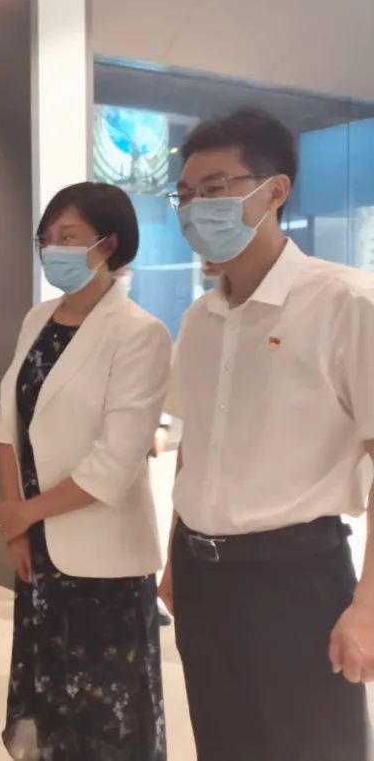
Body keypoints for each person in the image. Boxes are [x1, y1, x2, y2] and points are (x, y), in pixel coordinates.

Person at [159, 108, 374, 760]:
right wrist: (174, 558)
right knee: (223, 744)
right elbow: (195, 448)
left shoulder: (346, 302)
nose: (196, 209)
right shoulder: (200, 318)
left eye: (215, 189)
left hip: (295, 579)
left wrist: (368, 606)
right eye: (186, 195)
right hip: (202, 579)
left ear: (274, 190)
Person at [0, 183, 171, 760]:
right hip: (38, 554)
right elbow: (7, 425)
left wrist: (26, 513)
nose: (53, 249)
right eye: (46, 238)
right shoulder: (37, 319)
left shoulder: (139, 332)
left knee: (107, 722)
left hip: (105, 561)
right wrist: (18, 528)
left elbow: (115, 463)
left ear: (108, 244)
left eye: (67, 237)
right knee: (49, 712)